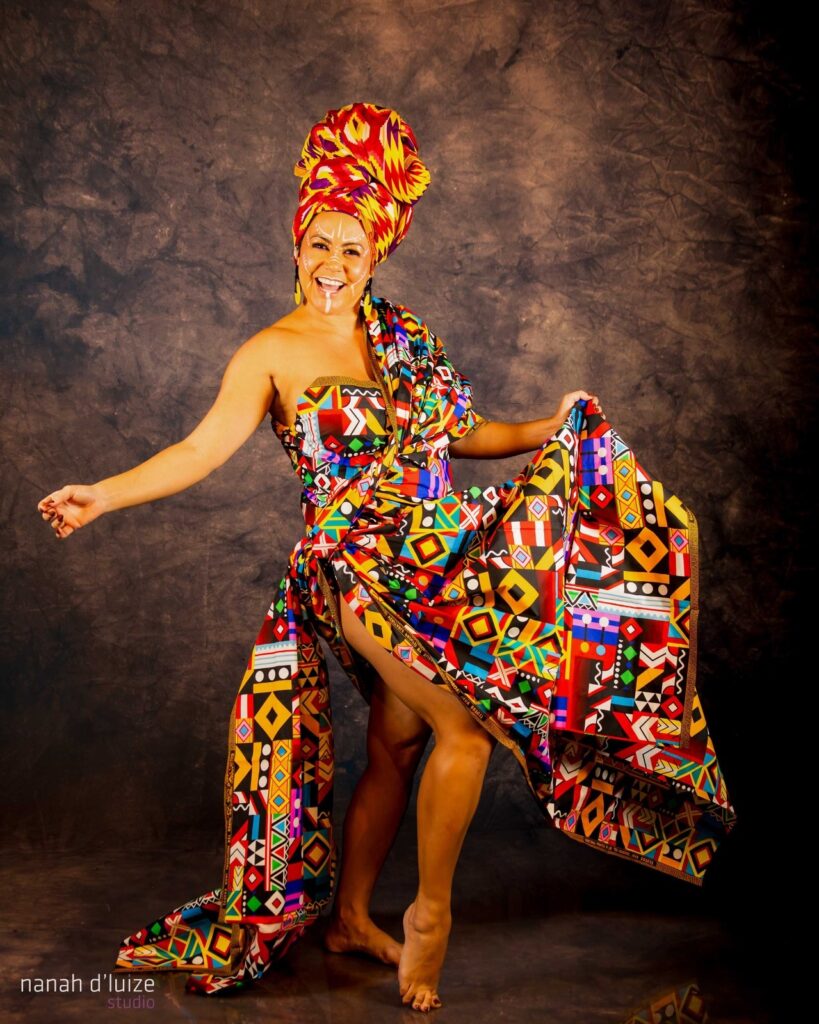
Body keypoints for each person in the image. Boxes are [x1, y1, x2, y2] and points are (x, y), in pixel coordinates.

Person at [37, 102, 737, 1014]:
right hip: (350, 567)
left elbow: (466, 435)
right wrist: (105, 493)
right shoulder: (272, 352)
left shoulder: (403, 338)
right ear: (297, 243)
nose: (334, 267)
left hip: (434, 557)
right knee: (465, 725)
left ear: (376, 256)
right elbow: (199, 451)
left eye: (352, 252)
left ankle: (350, 918)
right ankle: (429, 915)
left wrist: (549, 426)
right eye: (320, 245)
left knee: (398, 749)